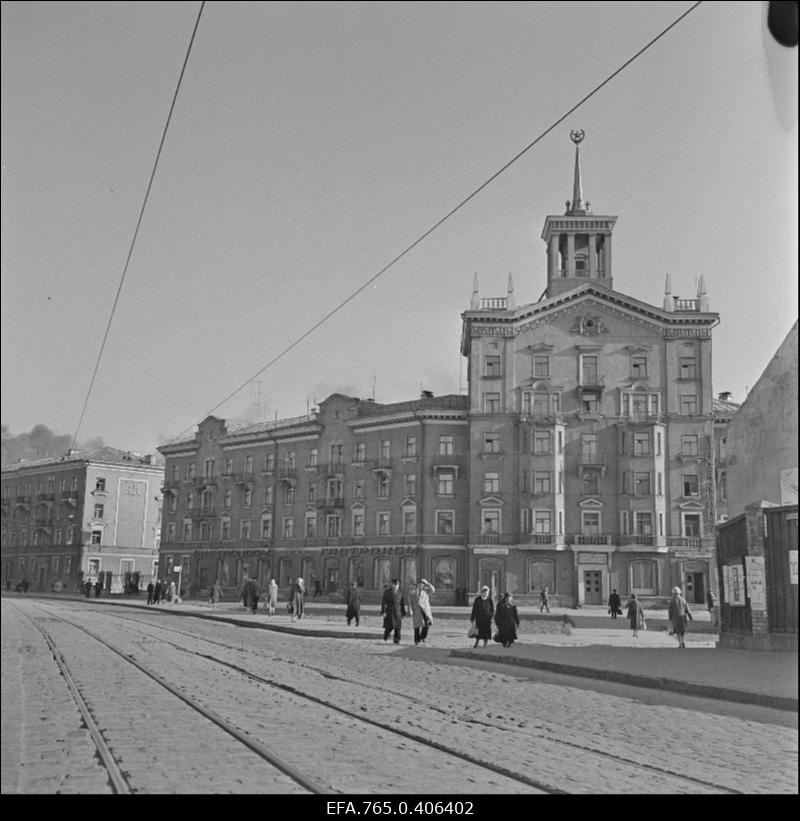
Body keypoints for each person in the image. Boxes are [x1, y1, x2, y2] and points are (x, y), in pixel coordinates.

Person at [409, 579, 435, 645]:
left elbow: (433, 589)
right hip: (417, 610)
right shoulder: (413, 592)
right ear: (417, 585)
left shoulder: (426, 591)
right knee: (417, 626)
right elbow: (409, 601)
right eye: (419, 584)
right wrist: (410, 609)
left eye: (422, 584)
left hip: (425, 610)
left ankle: (423, 637)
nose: (421, 585)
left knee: (427, 623)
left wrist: (427, 583)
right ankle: (416, 640)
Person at [380, 579, 407, 644]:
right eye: (394, 584)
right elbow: (383, 602)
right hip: (389, 611)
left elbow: (402, 604)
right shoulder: (387, 592)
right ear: (391, 585)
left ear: (398, 585)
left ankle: (397, 640)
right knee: (389, 626)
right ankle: (386, 634)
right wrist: (383, 612)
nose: (395, 586)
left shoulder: (400, 592)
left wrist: (403, 613)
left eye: (396, 585)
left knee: (398, 627)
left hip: (397, 612)